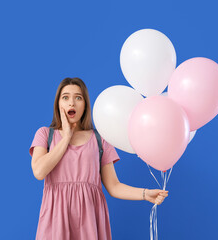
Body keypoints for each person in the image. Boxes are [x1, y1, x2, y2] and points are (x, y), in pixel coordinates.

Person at [29, 77, 168, 240]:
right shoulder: (45, 134)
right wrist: (66, 137)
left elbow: (114, 186)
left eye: (78, 98)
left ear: (85, 104)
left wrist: (145, 194)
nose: (71, 103)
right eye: (65, 97)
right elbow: (39, 171)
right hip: (55, 220)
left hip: (90, 221)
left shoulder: (99, 139)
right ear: (58, 104)